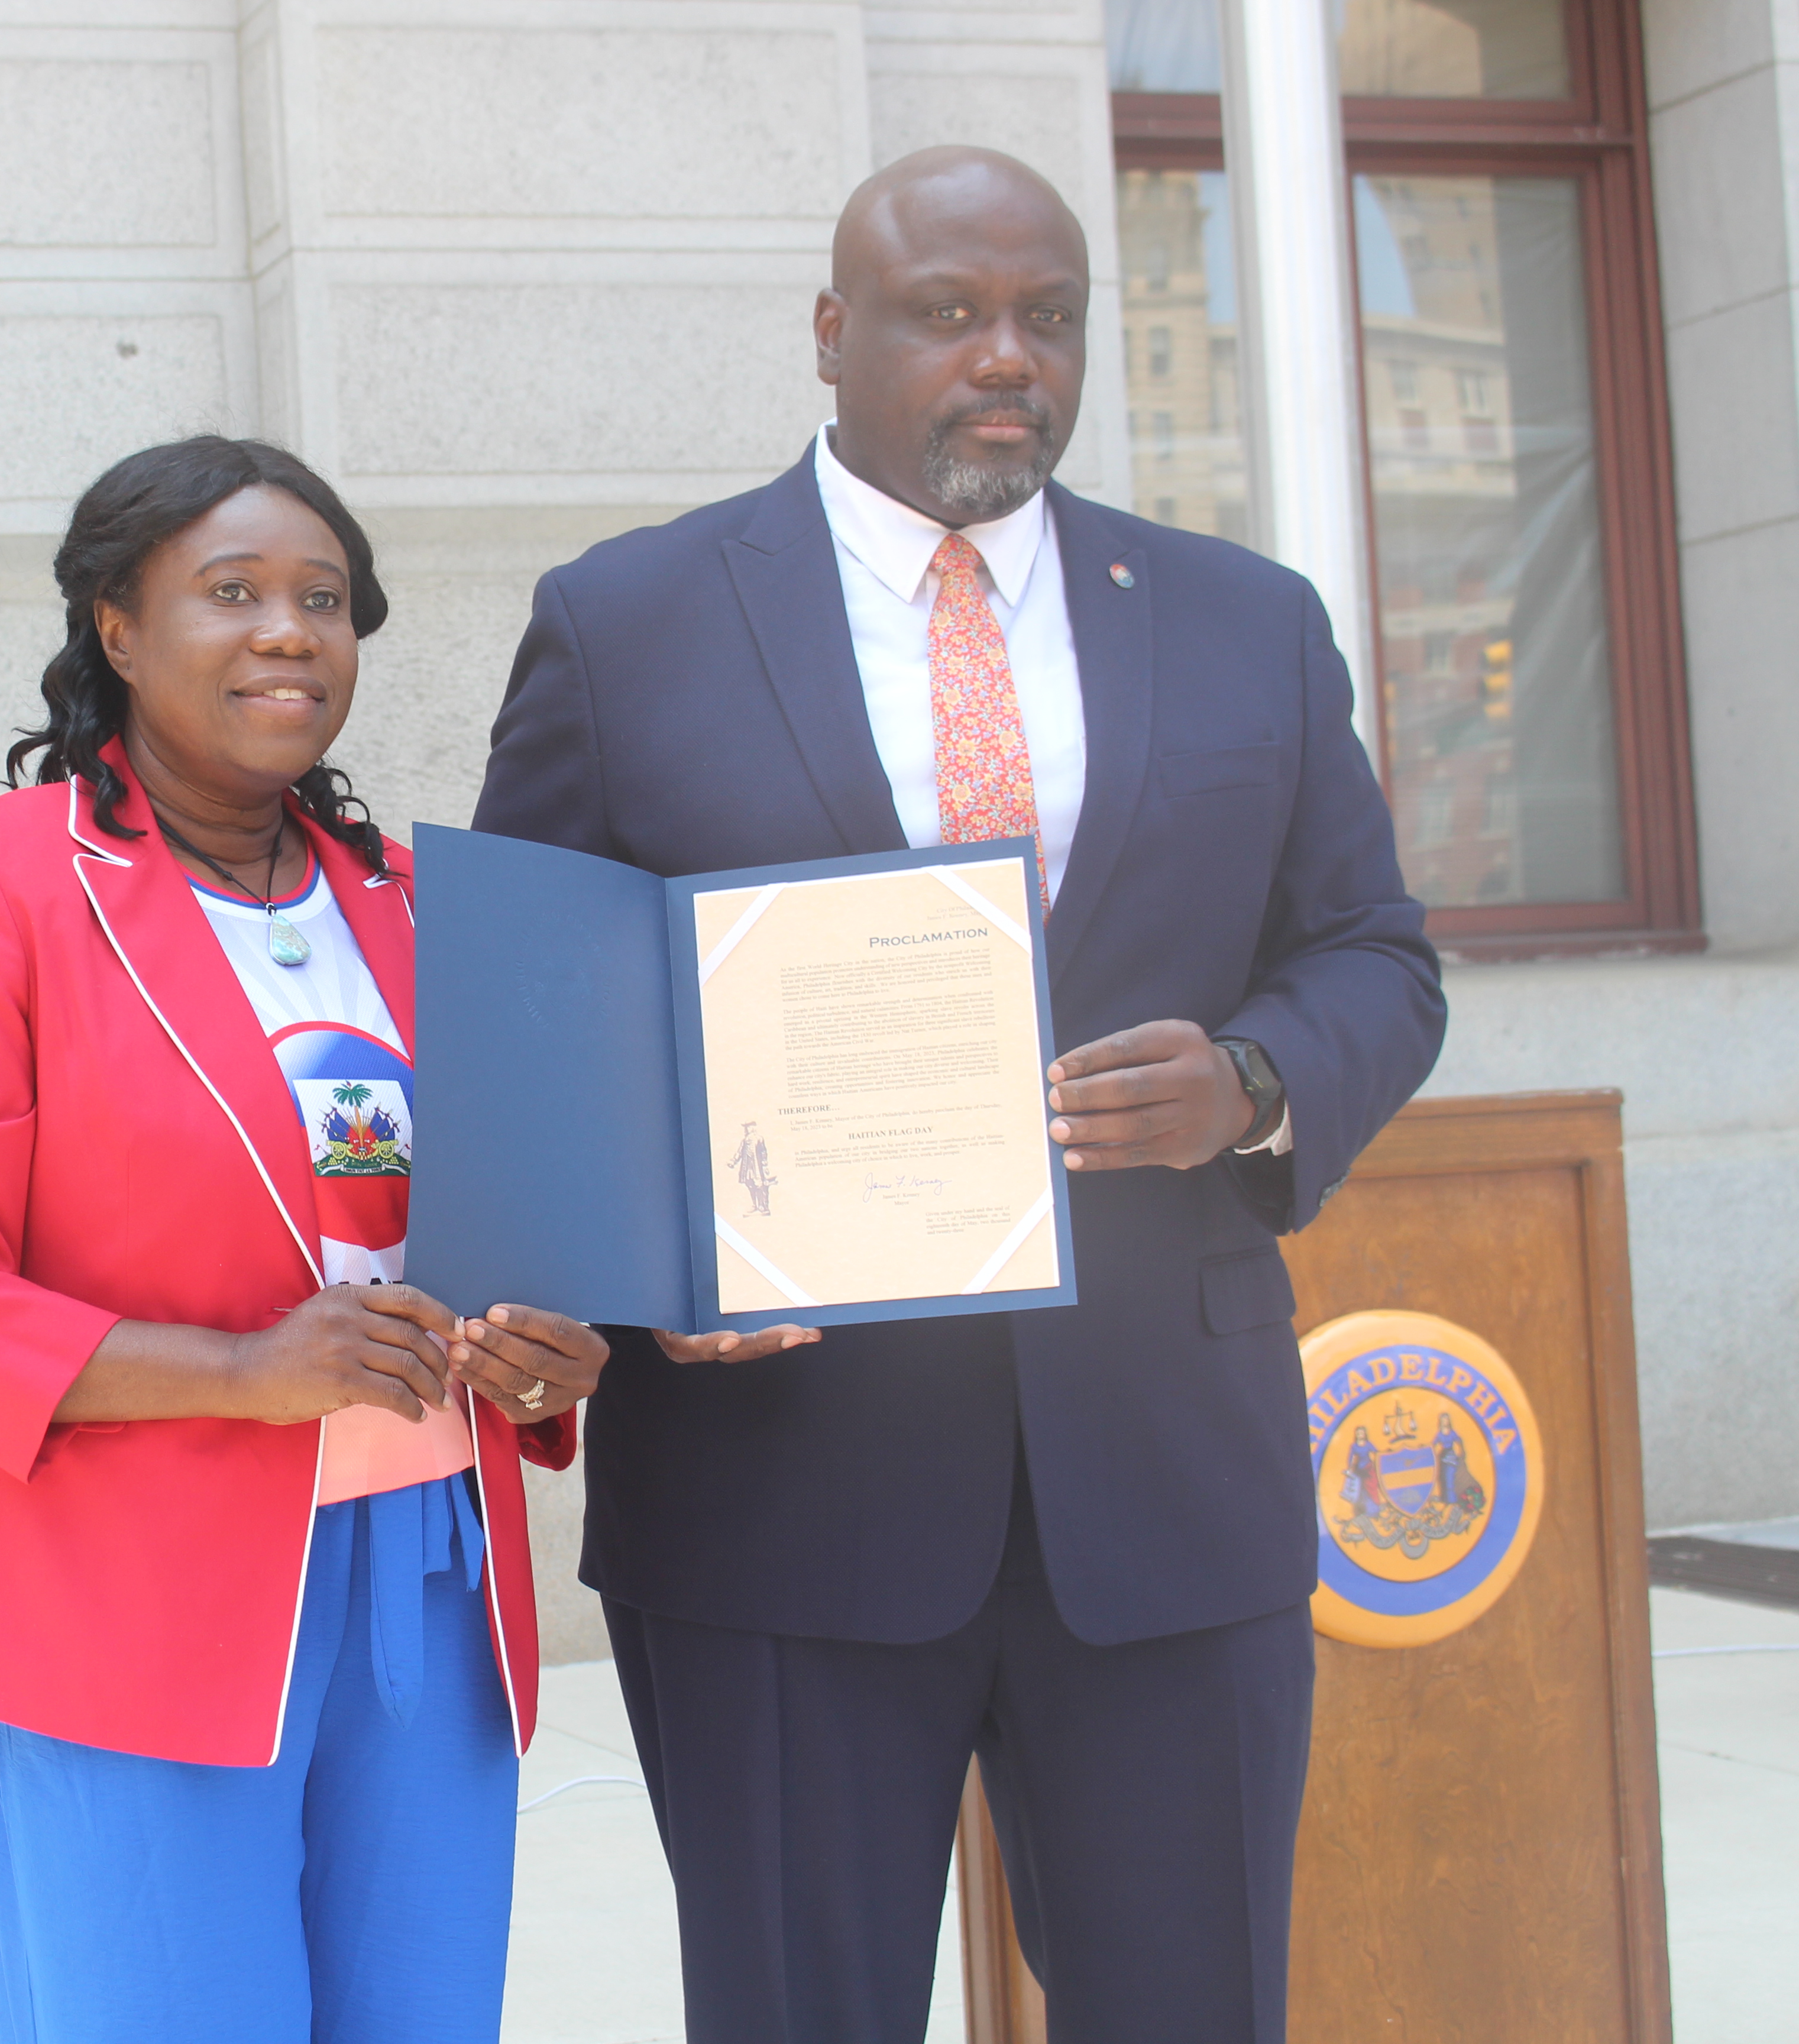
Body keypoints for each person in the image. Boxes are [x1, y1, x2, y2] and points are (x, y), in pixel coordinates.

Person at [471, 148, 1445, 2042]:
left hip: (1166, 1480)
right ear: (834, 336)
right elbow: (539, 1036)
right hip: (780, 1500)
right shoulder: (628, 619)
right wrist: (655, 1276)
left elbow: (1377, 960)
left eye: (1050, 317)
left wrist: (1252, 1080)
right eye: (948, 313)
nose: (1008, 358)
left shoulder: (1247, 619)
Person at [0, 435, 609, 2044]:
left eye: (323, 600)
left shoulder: (414, 902)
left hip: (430, 1586)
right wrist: (245, 1371)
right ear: (116, 627)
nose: (287, 633)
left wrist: (548, 1354)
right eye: (232, 593)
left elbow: (506, 1217)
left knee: (421, 2015)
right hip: (137, 1580)